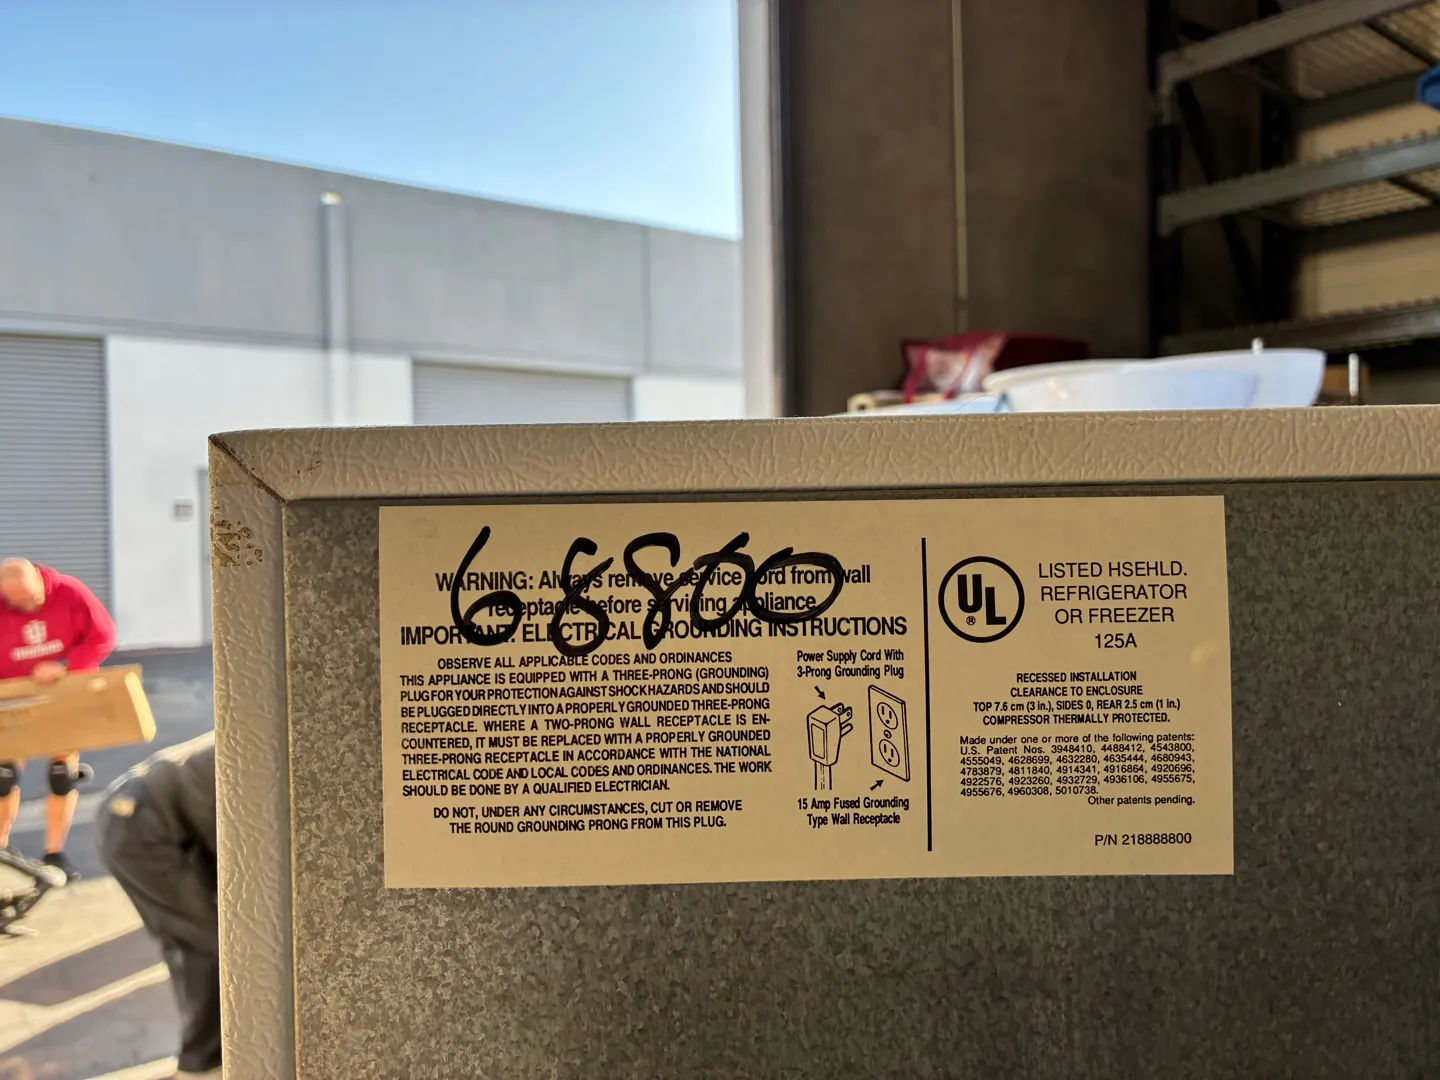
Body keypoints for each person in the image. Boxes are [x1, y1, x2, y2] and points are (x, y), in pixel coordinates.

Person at [95, 731, 221, 1080]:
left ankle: (214, 1058)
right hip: (139, 822)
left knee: (217, 942)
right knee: (206, 945)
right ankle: (203, 1067)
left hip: (155, 816)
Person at [0, 556, 117, 881]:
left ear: (40, 580)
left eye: (30, 599)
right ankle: (2, 851)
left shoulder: (70, 592)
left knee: (61, 774)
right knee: (3, 776)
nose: (26, 608)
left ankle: (55, 853)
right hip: (13, 698)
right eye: (16, 603)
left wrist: (67, 666)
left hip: (62, 693)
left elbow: (103, 636)